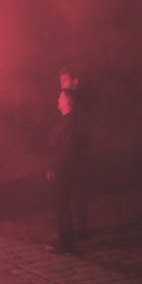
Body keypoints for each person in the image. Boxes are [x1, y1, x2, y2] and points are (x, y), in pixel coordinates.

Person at [45, 87, 85, 254]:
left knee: (62, 207)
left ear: (67, 101)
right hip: (62, 170)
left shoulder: (70, 123)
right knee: (61, 206)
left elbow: (65, 150)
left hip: (64, 172)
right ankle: (63, 238)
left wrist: (55, 168)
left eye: (60, 98)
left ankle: (65, 243)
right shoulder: (66, 121)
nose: (57, 101)